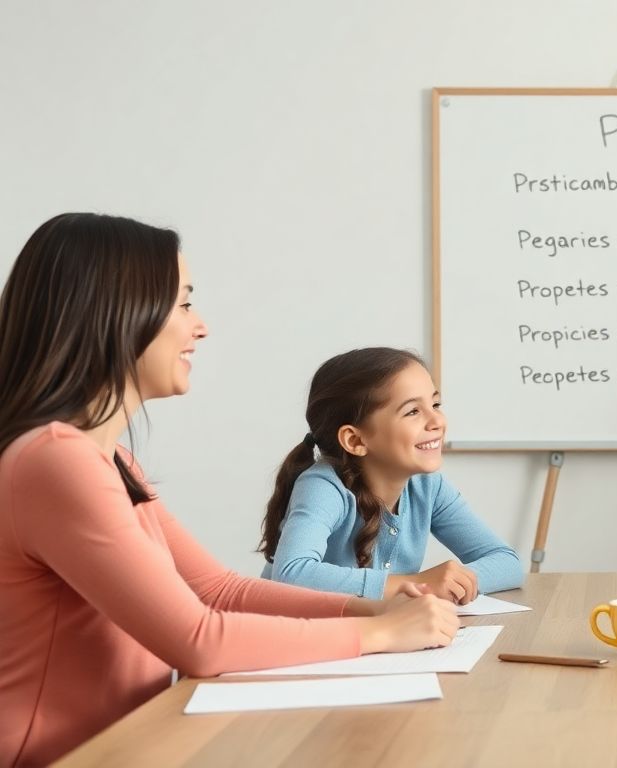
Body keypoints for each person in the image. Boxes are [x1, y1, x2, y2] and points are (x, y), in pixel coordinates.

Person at [0, 214, 459, 767]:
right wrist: (383, 634)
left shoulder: (108, 458)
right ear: (117, 314)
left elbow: (216, 590)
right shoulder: (56, 462)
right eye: (184, 303)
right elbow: (199, 638)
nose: (200, 327)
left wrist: (368, 608)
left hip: (133, 744)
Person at [258, 347, 523, 602]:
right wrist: (417, 585)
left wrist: (446, 584)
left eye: (436, 403)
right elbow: (291, 575)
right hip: (297, 638)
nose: (437, 421)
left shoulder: (427, 487)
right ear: (355, 440)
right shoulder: (324, 487)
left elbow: (506, 563)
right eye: (413, 411)